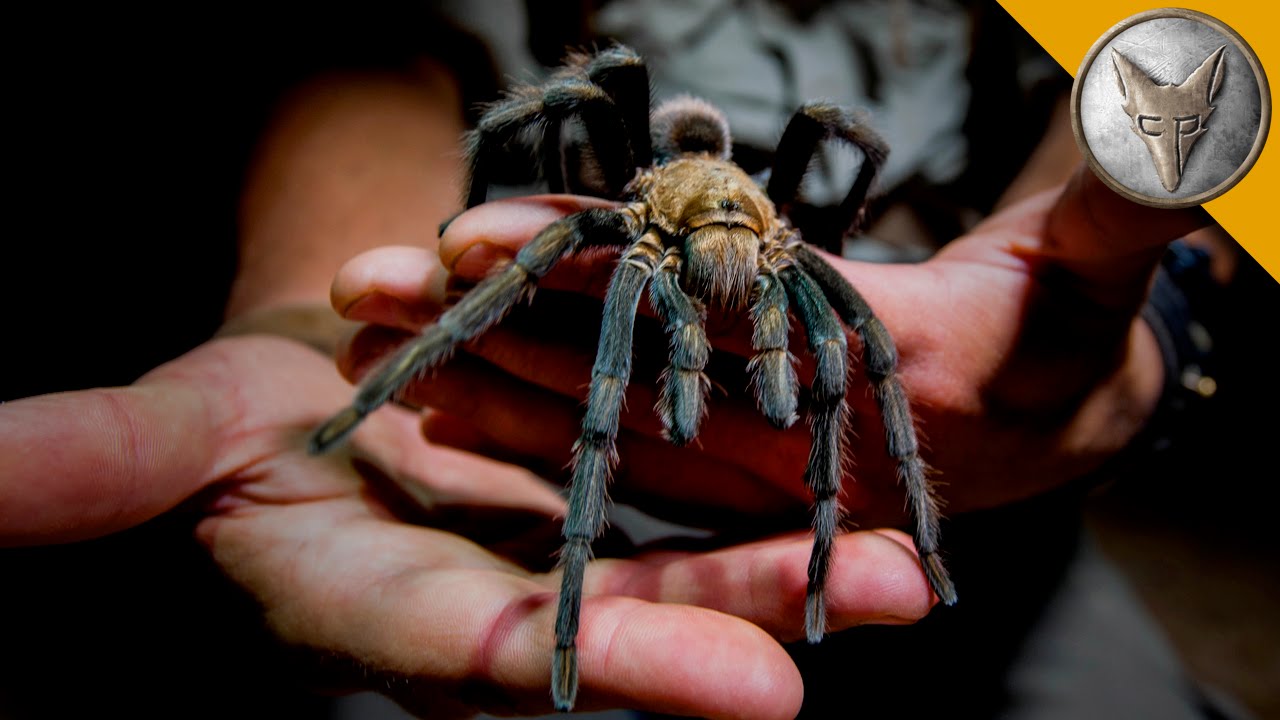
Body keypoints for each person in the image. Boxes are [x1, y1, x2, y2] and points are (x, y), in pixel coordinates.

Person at [0, 2, 1245, 718]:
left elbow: (1198, 70)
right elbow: (387, 37)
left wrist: (1126, 340)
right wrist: (322, 327)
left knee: (849, 335)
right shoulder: (628, 195)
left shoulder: (780, 235)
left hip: (1002, 481)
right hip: (530, 427)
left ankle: (885, 524)